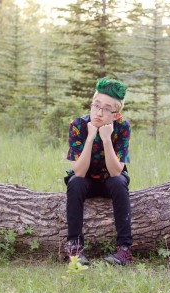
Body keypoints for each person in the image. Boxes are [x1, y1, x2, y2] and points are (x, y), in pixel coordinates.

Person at [64, 77, 133, 265]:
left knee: (119, 182)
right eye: (96, 106)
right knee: (75, 183)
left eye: (107, 109)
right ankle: (75, 249)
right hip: (85, 179)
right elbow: (78, 171)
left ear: (116, 115)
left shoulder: (123, 127)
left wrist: (106, 139)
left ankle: (124, 250)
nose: (99, 113)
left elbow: (116, 171)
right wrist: (90, 137)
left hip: (110, 180)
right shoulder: (78, 125)